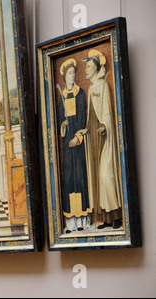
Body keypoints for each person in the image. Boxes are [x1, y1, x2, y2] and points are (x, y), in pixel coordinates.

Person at [80, 49, 122, 229]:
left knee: (107, 176)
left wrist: (104, 126)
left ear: (96, 68)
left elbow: (106, 111)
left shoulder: (103, 86)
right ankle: (104, 218)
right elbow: (91, 115)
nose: (86, 70)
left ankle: (117, 216)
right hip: (94, 139)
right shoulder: (91, 89)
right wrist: (86, 129)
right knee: (97, 178)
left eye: (89, 67)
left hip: (104, 138)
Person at [56, 58, 92, 233]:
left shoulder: (80, 94)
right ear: (65, 77)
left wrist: (77, 137)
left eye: (74, 73)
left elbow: (81, 119)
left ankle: (82, 221)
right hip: (66, 143)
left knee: (79, 179)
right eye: (70, 74)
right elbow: (59, 120)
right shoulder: (61, 96)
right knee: (69, 180)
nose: (73, 76)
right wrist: (61, 125)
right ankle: (70, 221)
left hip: (77, 143)